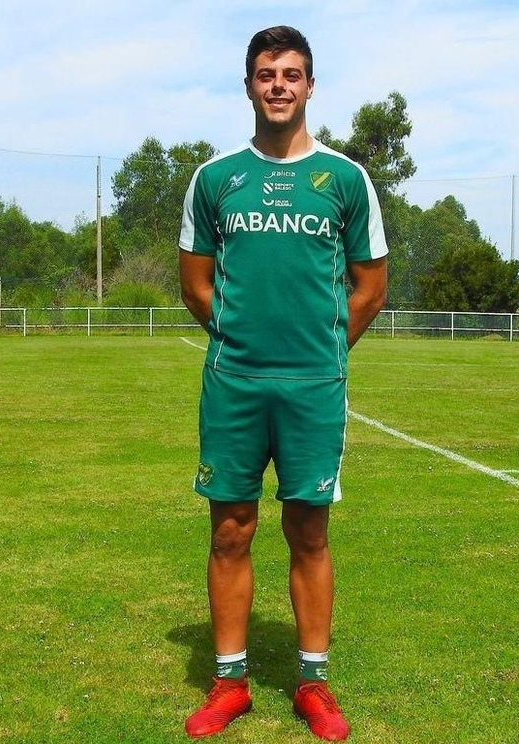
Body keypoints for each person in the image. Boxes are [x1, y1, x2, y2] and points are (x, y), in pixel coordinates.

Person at [177, 26, 387, 741]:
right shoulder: (215, 178)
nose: (278, 86)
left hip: (312, 387)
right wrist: (245, 340)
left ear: (309, 86)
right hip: (234, 381)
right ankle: (229, 682)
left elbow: (369, 287)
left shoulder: (346, 179)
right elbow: (196, 285)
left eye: (291, 74)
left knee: (309, 529)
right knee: (230, 529)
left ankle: (313, 683)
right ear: (248, 86)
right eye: (266, 74)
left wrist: (320, 350)